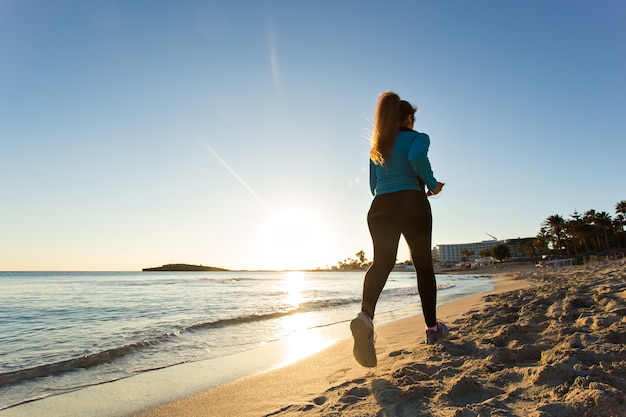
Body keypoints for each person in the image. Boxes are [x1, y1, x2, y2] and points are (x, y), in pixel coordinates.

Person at [350, 91, 447, 367]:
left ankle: (365, 318)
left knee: (381, 263)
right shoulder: (418, 138)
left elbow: (373, 185)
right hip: (412, 206)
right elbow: (417, 158)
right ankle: (432, 329)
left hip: (380, 207)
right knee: (423, 266)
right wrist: (431, 184)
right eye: (412, 118)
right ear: (407, 117)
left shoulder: (377, 146)